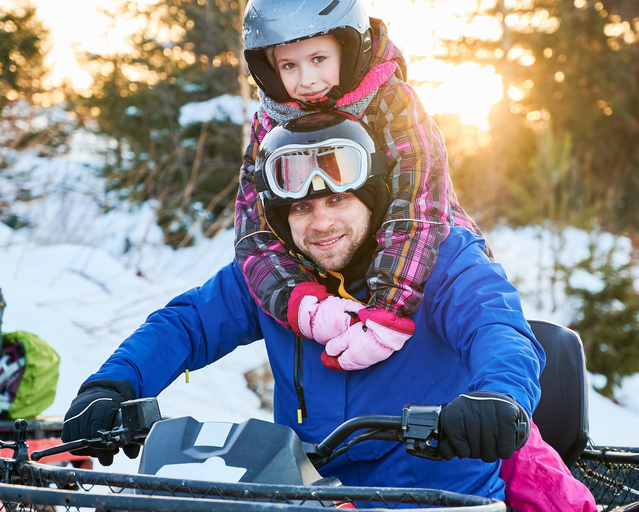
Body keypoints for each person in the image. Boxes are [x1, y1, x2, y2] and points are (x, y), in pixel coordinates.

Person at [61, 113, 544, 501]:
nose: (321, 223)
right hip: (309, 497)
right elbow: (186, 324)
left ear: (372, 201)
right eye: (301, 208)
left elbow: (498, 328)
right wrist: (114, 384)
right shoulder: (281, 282)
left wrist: (497, 398)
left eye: (337, 200)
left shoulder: (441, 260)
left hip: (434, 499)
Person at [235, 0, 489, 371]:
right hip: (332, 255)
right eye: (289, 65)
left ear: (349, 48)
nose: (306, 80)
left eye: (319, 59)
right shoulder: (270, 122)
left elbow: (418, 201)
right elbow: (253, 224)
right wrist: (299, 301)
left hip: (420, 250)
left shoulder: (394, 102)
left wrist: (388, 309)